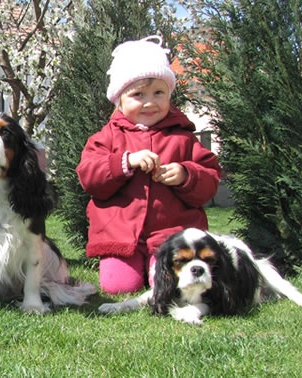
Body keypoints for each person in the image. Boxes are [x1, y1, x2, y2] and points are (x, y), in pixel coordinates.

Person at [75, 35, 222, 295]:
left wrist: (186, 175)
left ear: (169, 95)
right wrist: (124, 162)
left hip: (171, 233)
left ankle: (154, 267)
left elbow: (209, 179)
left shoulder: (183, 136)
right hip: (118, 234)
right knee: (119, 287)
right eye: (138, 94)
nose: (150, 102)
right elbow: (89, 177)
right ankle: (132, 268)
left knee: (168, 284)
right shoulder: (105, 137)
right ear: (119, 100)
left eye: (158, 93)